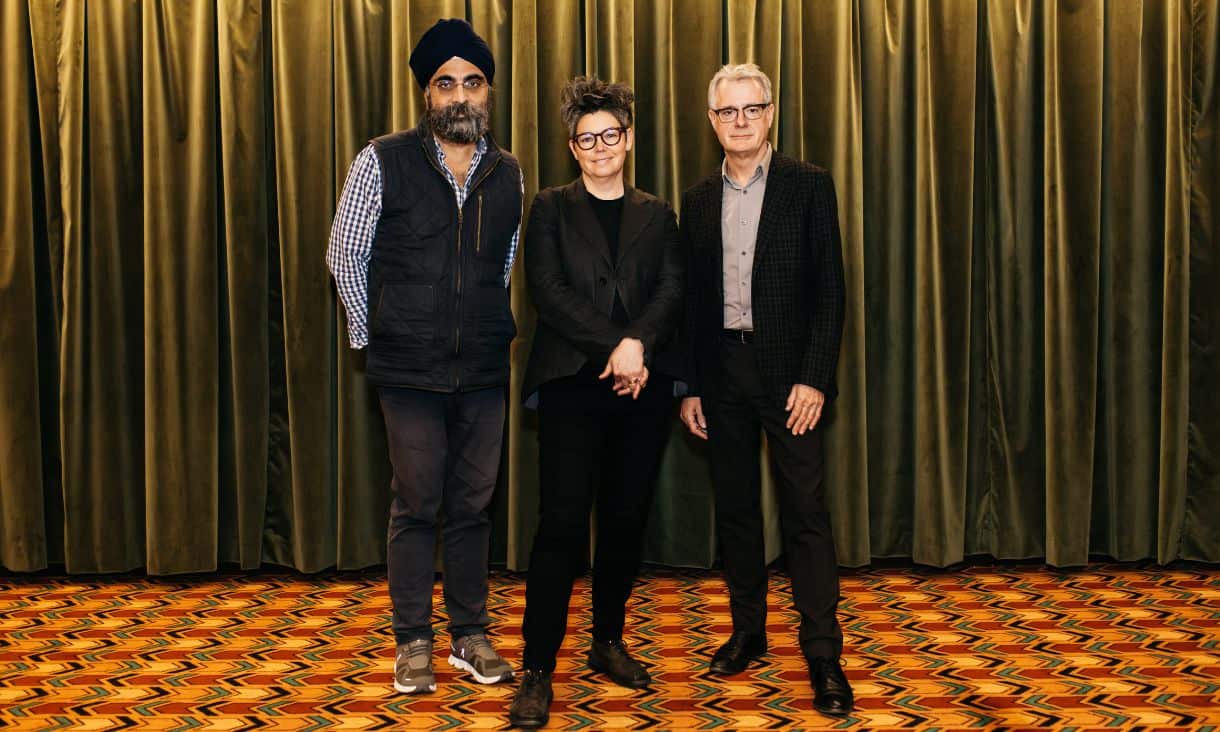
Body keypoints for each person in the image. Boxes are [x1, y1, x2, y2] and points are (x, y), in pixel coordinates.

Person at [326, 18, 522, 695]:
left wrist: (484, 326)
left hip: (485, 371)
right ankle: (413, 641)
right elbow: (344, 253)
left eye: (472, 82)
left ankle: (470, 635)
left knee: (473, 506)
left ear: (488, 91)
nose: (459, 96)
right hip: (407, 370)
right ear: (426, 93)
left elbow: (503, 265)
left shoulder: (508, 172)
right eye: (446, 84)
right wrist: (371, 334)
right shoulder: (381, 159)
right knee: (417, 503)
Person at [507, 76, 685, 729]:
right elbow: (549, 293)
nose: (601, 147)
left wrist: (639, 348)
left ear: (629, 139)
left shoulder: (659, 213)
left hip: (642, 389)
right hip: (571, 385)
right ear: (573, 147)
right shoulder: (550, 208)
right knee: (559, 526)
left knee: (624, 520)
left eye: (611, 135)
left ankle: (607, 641)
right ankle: (536, 669)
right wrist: (620, 346)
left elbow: (672, 291)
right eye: (588, 139)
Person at [677, 63, 852, 716]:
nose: (741, 122)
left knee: (805, 514)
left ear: (771, 114)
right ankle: (747, 630)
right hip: (721, 373)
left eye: (752, 109)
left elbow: (830, 291)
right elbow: (693, 305)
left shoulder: (809, 187)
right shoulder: (696, 201)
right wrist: (690, 387)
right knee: (738, 511)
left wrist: (814, 378)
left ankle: (823, 650)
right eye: (728, 112)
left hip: (789, 379)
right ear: (712, 121)